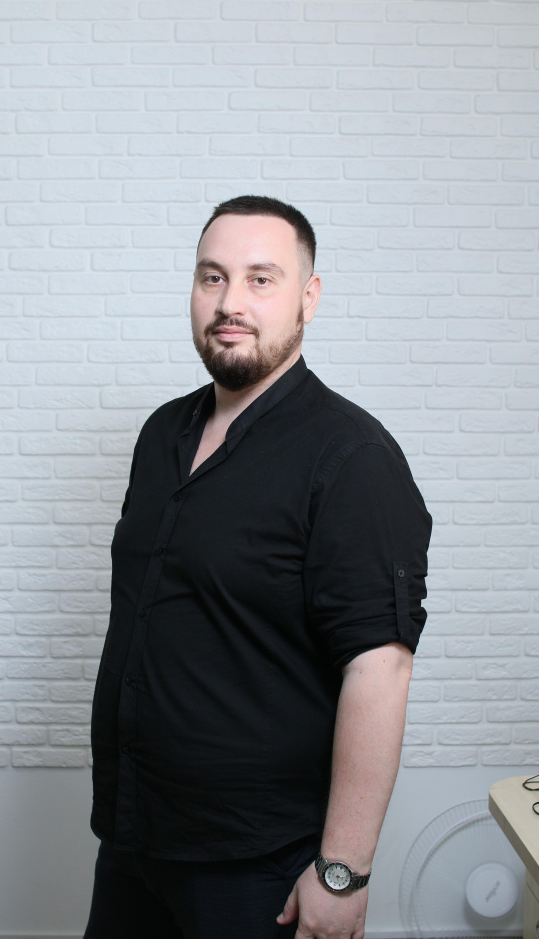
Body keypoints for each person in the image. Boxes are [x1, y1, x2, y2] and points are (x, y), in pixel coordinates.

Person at [84, 195, 432, 939]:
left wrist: (342, 870)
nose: (230, 304)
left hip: (258, 867)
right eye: (212, 277)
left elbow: (380, 669)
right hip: (134, 836)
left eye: (260, 279)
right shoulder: (162, 434)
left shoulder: (352, 458)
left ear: (309, 297)